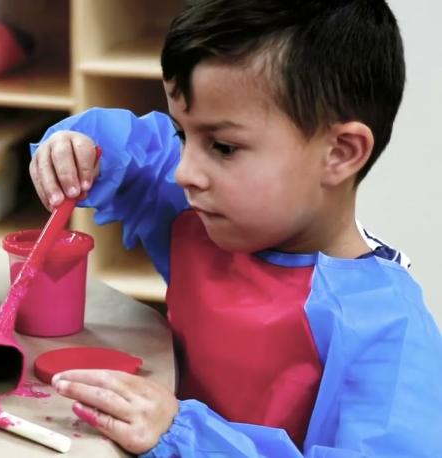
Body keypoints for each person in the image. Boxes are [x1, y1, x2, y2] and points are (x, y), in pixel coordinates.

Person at [29, 1, 442, 456]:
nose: (185, 171)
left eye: (223, 146)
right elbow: (134, 152)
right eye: (185, 136)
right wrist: (76, 148)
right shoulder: (205, 215)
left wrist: (185, 436)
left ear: (340, 153)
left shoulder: (388, 329)